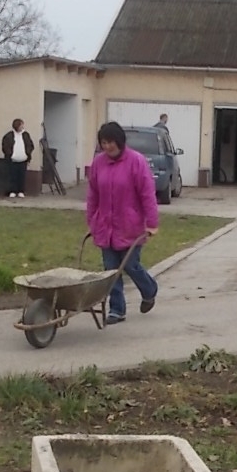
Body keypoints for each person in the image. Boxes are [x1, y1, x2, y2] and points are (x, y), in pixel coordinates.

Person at [86, 121, 160, 325]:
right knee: (111, 270)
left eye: (111, 142)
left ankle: (149, 289)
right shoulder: (98, 163)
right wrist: (91, 220)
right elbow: (93, 194)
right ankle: (117, 309)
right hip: (105, 226)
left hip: (130, 226)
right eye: (103, 142)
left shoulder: (136, 161)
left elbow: (147, 194)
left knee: (130, 265)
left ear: (120, 141)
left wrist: (152, 223)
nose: (107, 146)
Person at [1, 118, 33, 198]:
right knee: (12, 176)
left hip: (23, 160)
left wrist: (27, 153)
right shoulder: (9, 136)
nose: (22, 127)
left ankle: (21, 191)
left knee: (21, 176)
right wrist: (10, 155)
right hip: (12, 160)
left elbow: (30, 145)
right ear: (17, 126)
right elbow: (5, 147)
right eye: (21, 125)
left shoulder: (26, 135)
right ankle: (12, 191)